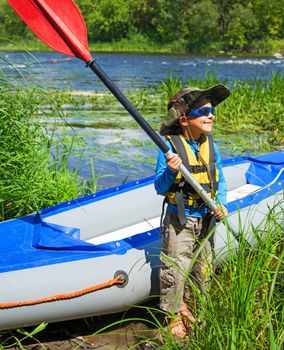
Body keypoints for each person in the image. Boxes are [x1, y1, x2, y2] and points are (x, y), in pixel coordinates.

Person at [154, 84, 230, 338]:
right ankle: (173, 315)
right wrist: (171, 170)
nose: (211, 115)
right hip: (180, 219)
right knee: (175, 268)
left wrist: (221, 203)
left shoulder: (211, 146)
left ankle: (194, 307)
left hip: (207, 219)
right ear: (184, 120)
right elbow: (159, 186)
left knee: (203, 269)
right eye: (204, 111)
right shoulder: (170, 148)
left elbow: (220, 179)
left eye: (212, 110)